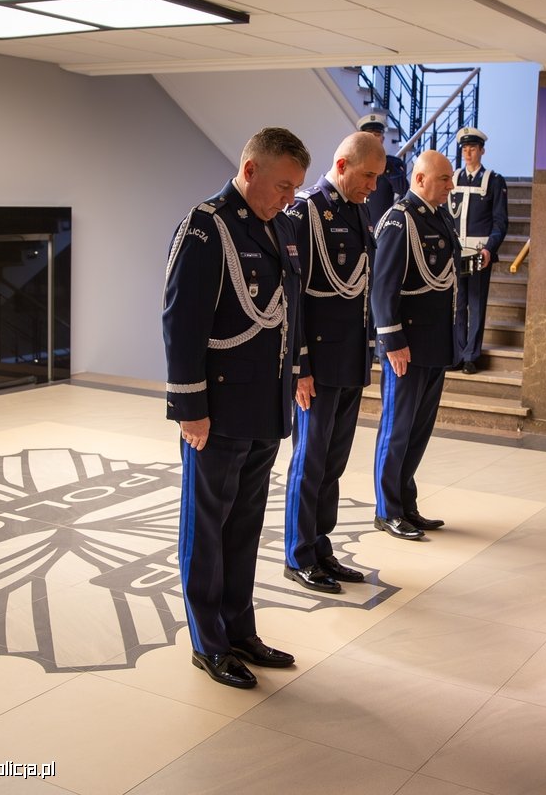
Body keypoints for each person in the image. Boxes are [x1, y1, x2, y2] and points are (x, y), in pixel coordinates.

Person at [162, 127, 311, 689]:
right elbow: (182, 322)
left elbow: (288, 311)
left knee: (245, 526)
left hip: (264, 405)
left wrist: (293, 380)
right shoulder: (206, 227)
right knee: (207, 526)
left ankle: (239, 628)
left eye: (295, 188)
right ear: (250, 171)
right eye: (283, 186)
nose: (289, 198)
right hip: (219, 409)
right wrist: (190, 407)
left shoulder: (281, 226)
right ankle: (208, 642)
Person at [281, 132, 387, 594]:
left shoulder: (358, 208)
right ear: (342, 166)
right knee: (309, 461)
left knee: (333, 463)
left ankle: (321, 547)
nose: (373, 186)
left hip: (348, 359)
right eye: (368, 176)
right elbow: (293, 296)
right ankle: (299, 554)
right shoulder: (306, 211)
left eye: (378, 178)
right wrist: (300, 366)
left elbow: (359, 289)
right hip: (317, 363)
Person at [370, 151, 459, 540]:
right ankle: (387, 510)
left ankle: (407, 504)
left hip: (435, 343)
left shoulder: (439, 217)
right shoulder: (399, 219)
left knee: (418, 432)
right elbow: (383, 286)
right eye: (444, 179)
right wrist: (392, 341)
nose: (450, 185)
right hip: (406, 346)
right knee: (397, 430)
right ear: (420, 179)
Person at [448, 127, 509, 374]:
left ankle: (471, 356)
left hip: (479, 255)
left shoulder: (494, 181)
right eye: (464, 149)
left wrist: (489, 249)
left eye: (472, 148)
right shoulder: (452, 178)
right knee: (457, 304)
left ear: (482, 151)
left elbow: (500, 222)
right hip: (456, 253)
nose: (468, 153)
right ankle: (457, 354)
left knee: (476, 304)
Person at [357, 113, 410, 231]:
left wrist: (384, 164)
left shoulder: (392, 164)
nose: (373, 139)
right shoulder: (354, 163)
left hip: (380, 229)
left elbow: (403, 190)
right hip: (357, 227)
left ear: (383, 139)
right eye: (369, 135)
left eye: (377, 135)